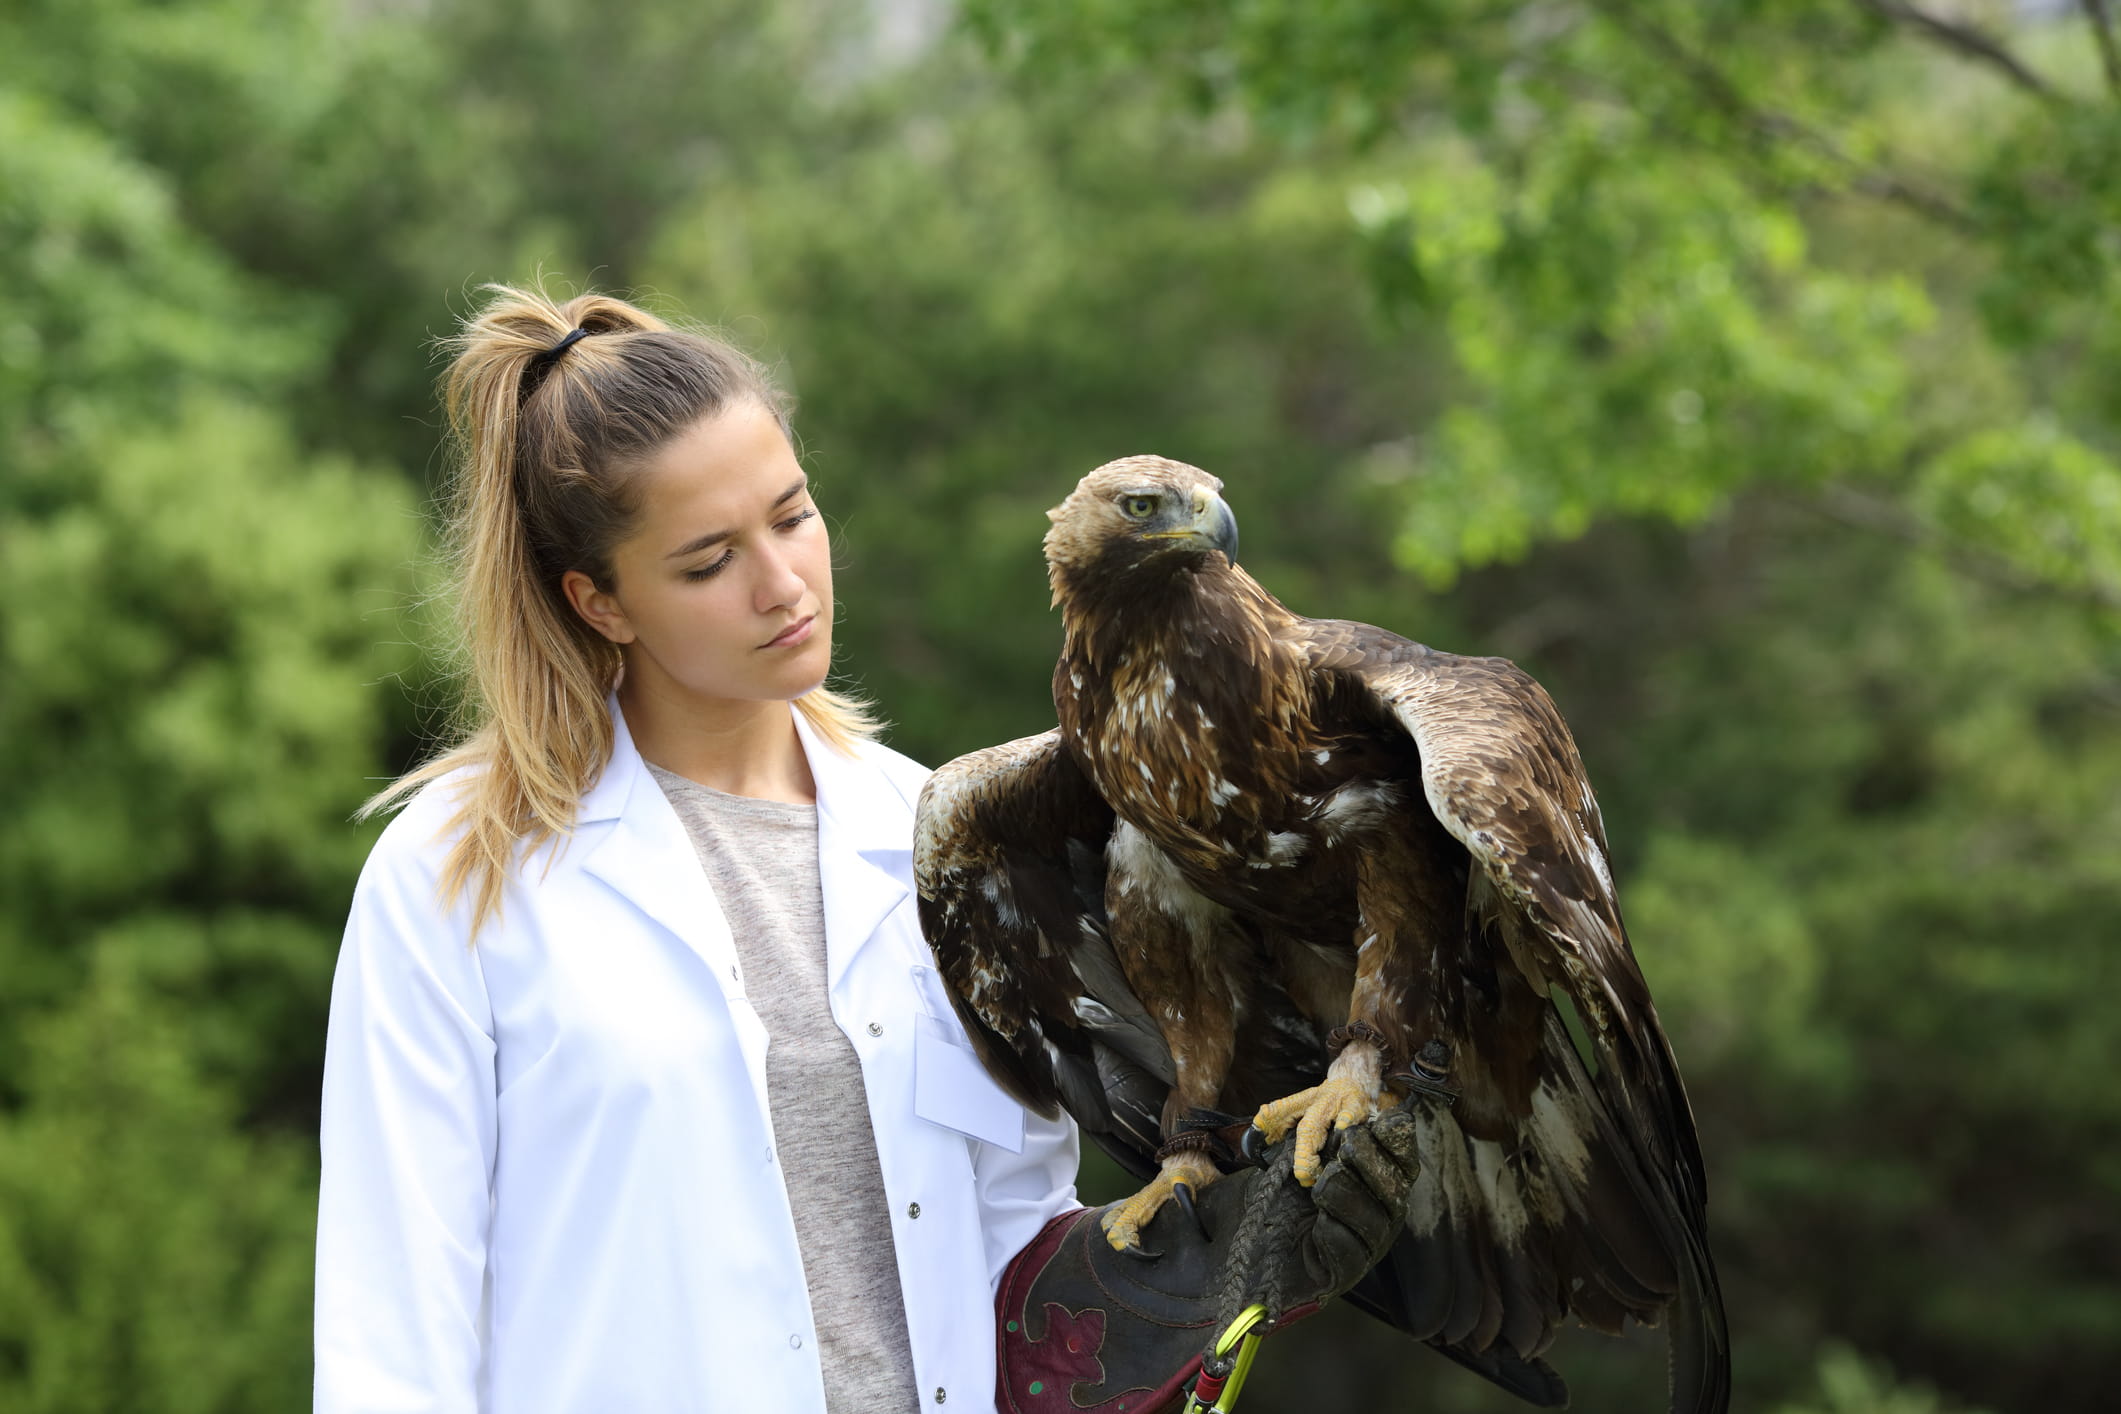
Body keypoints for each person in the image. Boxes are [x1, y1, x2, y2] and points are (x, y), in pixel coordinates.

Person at [313, 283, 1419, 1414]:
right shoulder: (456, 875)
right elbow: (392, 1336)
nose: (782, 583)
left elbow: (1009, 1265)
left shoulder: (937, 837)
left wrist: (1188, 1267)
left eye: (793, 516)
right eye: (708, 562)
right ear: (601, 603)